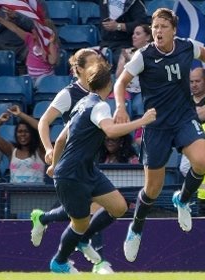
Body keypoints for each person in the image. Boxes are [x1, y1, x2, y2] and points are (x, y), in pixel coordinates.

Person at [113, 8, 205, 262]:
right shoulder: (144, 55)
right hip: (156, 125)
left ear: (174, 30)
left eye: (163, 26)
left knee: (201, 161)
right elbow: (120, 82)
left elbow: (204, 51)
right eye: (155, 27)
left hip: (184, 117)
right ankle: (136, 228)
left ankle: (183, 201)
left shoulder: (186, 46)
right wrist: (121, 106)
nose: (158, 31)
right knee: (152, 190)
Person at [47, 62, 156, 273]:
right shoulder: (100, 106)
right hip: (72, 173)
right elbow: (111, 131)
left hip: (86, 169)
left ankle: (82, 240)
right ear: (110, 84)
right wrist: (142, 120)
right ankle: (59, 262)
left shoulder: (82, 103)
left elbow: (60, 140)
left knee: (118, 207)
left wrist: (53, 165)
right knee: (79, 224)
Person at [34, 48, 114, 274]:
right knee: (89, 211)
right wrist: (50, 150)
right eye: (93, 62)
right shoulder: (69, 94)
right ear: (79, 69)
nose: (98, 65)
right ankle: (99, 261)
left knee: (84, 213)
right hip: (71, 162)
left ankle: (44, 219)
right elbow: (44, 122)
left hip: (89, 158)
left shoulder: (100, 92)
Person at [0, 14, 59, 88]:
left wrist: (51, 43)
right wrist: (0, 19)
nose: (32, 30)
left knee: (39, 84)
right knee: (19, 83)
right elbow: (15, 29)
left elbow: (52, 61)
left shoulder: (51, 45)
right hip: (31, 76)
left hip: (45, 78)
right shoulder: (30, 39)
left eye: (36, 30)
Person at [0, 105, 45, 183]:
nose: (22, 134)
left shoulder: (40, 150)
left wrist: (20, 114)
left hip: (36, 194)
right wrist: (0, 120)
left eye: (26, 131)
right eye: (19, 131)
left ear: (33, 134)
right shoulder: (11, 150)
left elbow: (41, 128)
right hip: (14, 194)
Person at [115, 24, 152, 119]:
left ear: (147, 37)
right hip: (127, 90)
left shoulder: (152, 52)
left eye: (138, 34)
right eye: (133, 33)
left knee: (138, 105)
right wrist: (127, 62)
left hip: (145, 91)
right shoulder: (126, 52)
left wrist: (133, 63)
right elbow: (118, 76)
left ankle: (139, 132)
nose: (133, 36)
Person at [98, 0, 148, 67]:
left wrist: (119, 26)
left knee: (123, 61)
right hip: (105, 44)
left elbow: (142, 24)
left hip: (124, 44)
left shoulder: (134, 2)